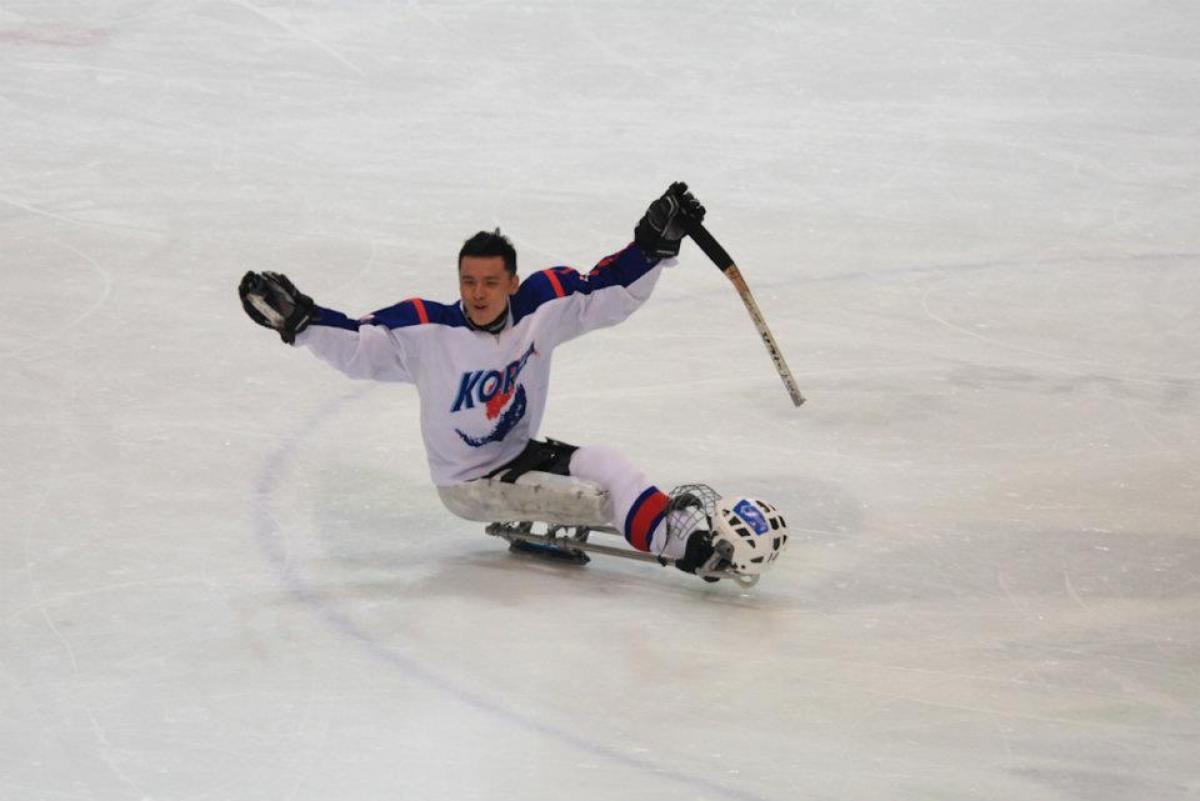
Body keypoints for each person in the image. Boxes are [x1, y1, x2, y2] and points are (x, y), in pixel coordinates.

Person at [238, 182, 724, 578]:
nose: (478, 293)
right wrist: (303, 321)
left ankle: (679, 537)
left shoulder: (541, 306)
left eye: (491, 282)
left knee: (607, 463)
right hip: (468, 484)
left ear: (513, 282)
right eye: (469, 282)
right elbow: (358, 346)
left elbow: (605, 294)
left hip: (520, 453)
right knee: (596, 498)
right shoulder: (427, 331)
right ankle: (686, 546)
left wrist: (652, 243)